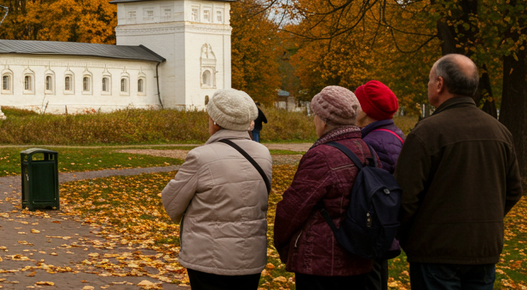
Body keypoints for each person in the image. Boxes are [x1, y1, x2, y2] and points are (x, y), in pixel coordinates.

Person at [395, 54, 522, 290]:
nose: (429, 85)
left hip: (435, 252)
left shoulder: (426, 133)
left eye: (430, 80)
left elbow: (405, 197)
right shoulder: (500, 131)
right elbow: (514, 189)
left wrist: (408, 236)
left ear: (440, 84)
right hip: (483, 248)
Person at [163, 88, 273, 290]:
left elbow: (171, 203)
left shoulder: (201, 157)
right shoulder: (263, 153)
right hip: (251, 256)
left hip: (208, 258)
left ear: (214, 121)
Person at [274, 85, 376, 289]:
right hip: (359, 253)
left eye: (315, 115)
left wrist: (282, 243)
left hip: (321, 260)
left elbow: (293, 208)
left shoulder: (321, 156)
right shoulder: (367, 149)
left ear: (324, 120)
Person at [355, 80, 405, 288]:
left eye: (356, 103)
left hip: (373, 231)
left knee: (371, 280)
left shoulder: (373, 142)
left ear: (367, 111)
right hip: (385, 231)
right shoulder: (392, 134)